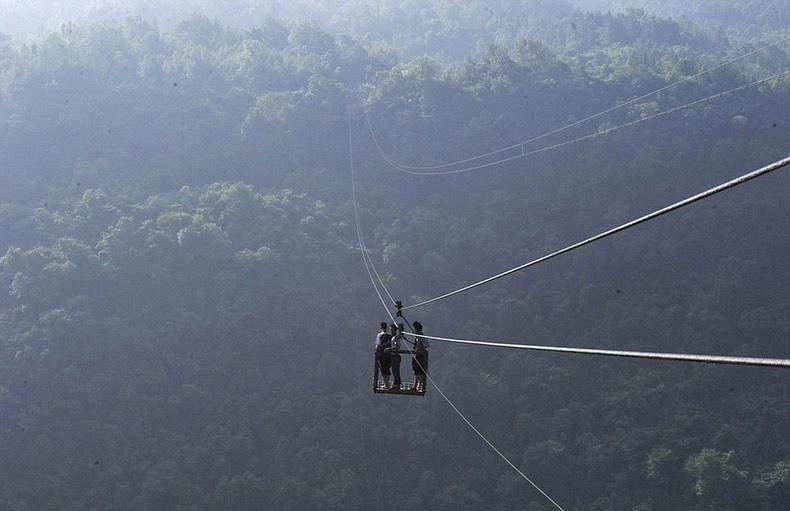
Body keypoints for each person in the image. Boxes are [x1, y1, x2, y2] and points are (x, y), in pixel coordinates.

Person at [411, 321, 429, 392]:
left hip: (418, 355)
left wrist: (415, 353)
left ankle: (415, 386)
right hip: (422, 356)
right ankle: (418, 386)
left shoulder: (418, 337)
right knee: (420, 372)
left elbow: (418, 346)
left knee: (417, 371)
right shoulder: (423, 336)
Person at [374, 321, 391, 389]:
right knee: (387, 368)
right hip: (389, 354)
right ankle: (387, 383)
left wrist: (376, 349)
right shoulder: (390, 335)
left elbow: (377, 345)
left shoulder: (379, 335)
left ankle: (385, 384)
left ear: (380, 327)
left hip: (382, 354)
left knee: (383, 369)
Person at [388, 323, 403, 390]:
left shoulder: (395, 338)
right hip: (393, 356)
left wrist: (389, 349)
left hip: (395, 356)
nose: (390, 331)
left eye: (391, 329)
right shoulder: (392, 337)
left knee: (395, 370)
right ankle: (396, 383)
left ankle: (397, 384)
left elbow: (396, 347)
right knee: (394, 370)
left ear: (394, 330)